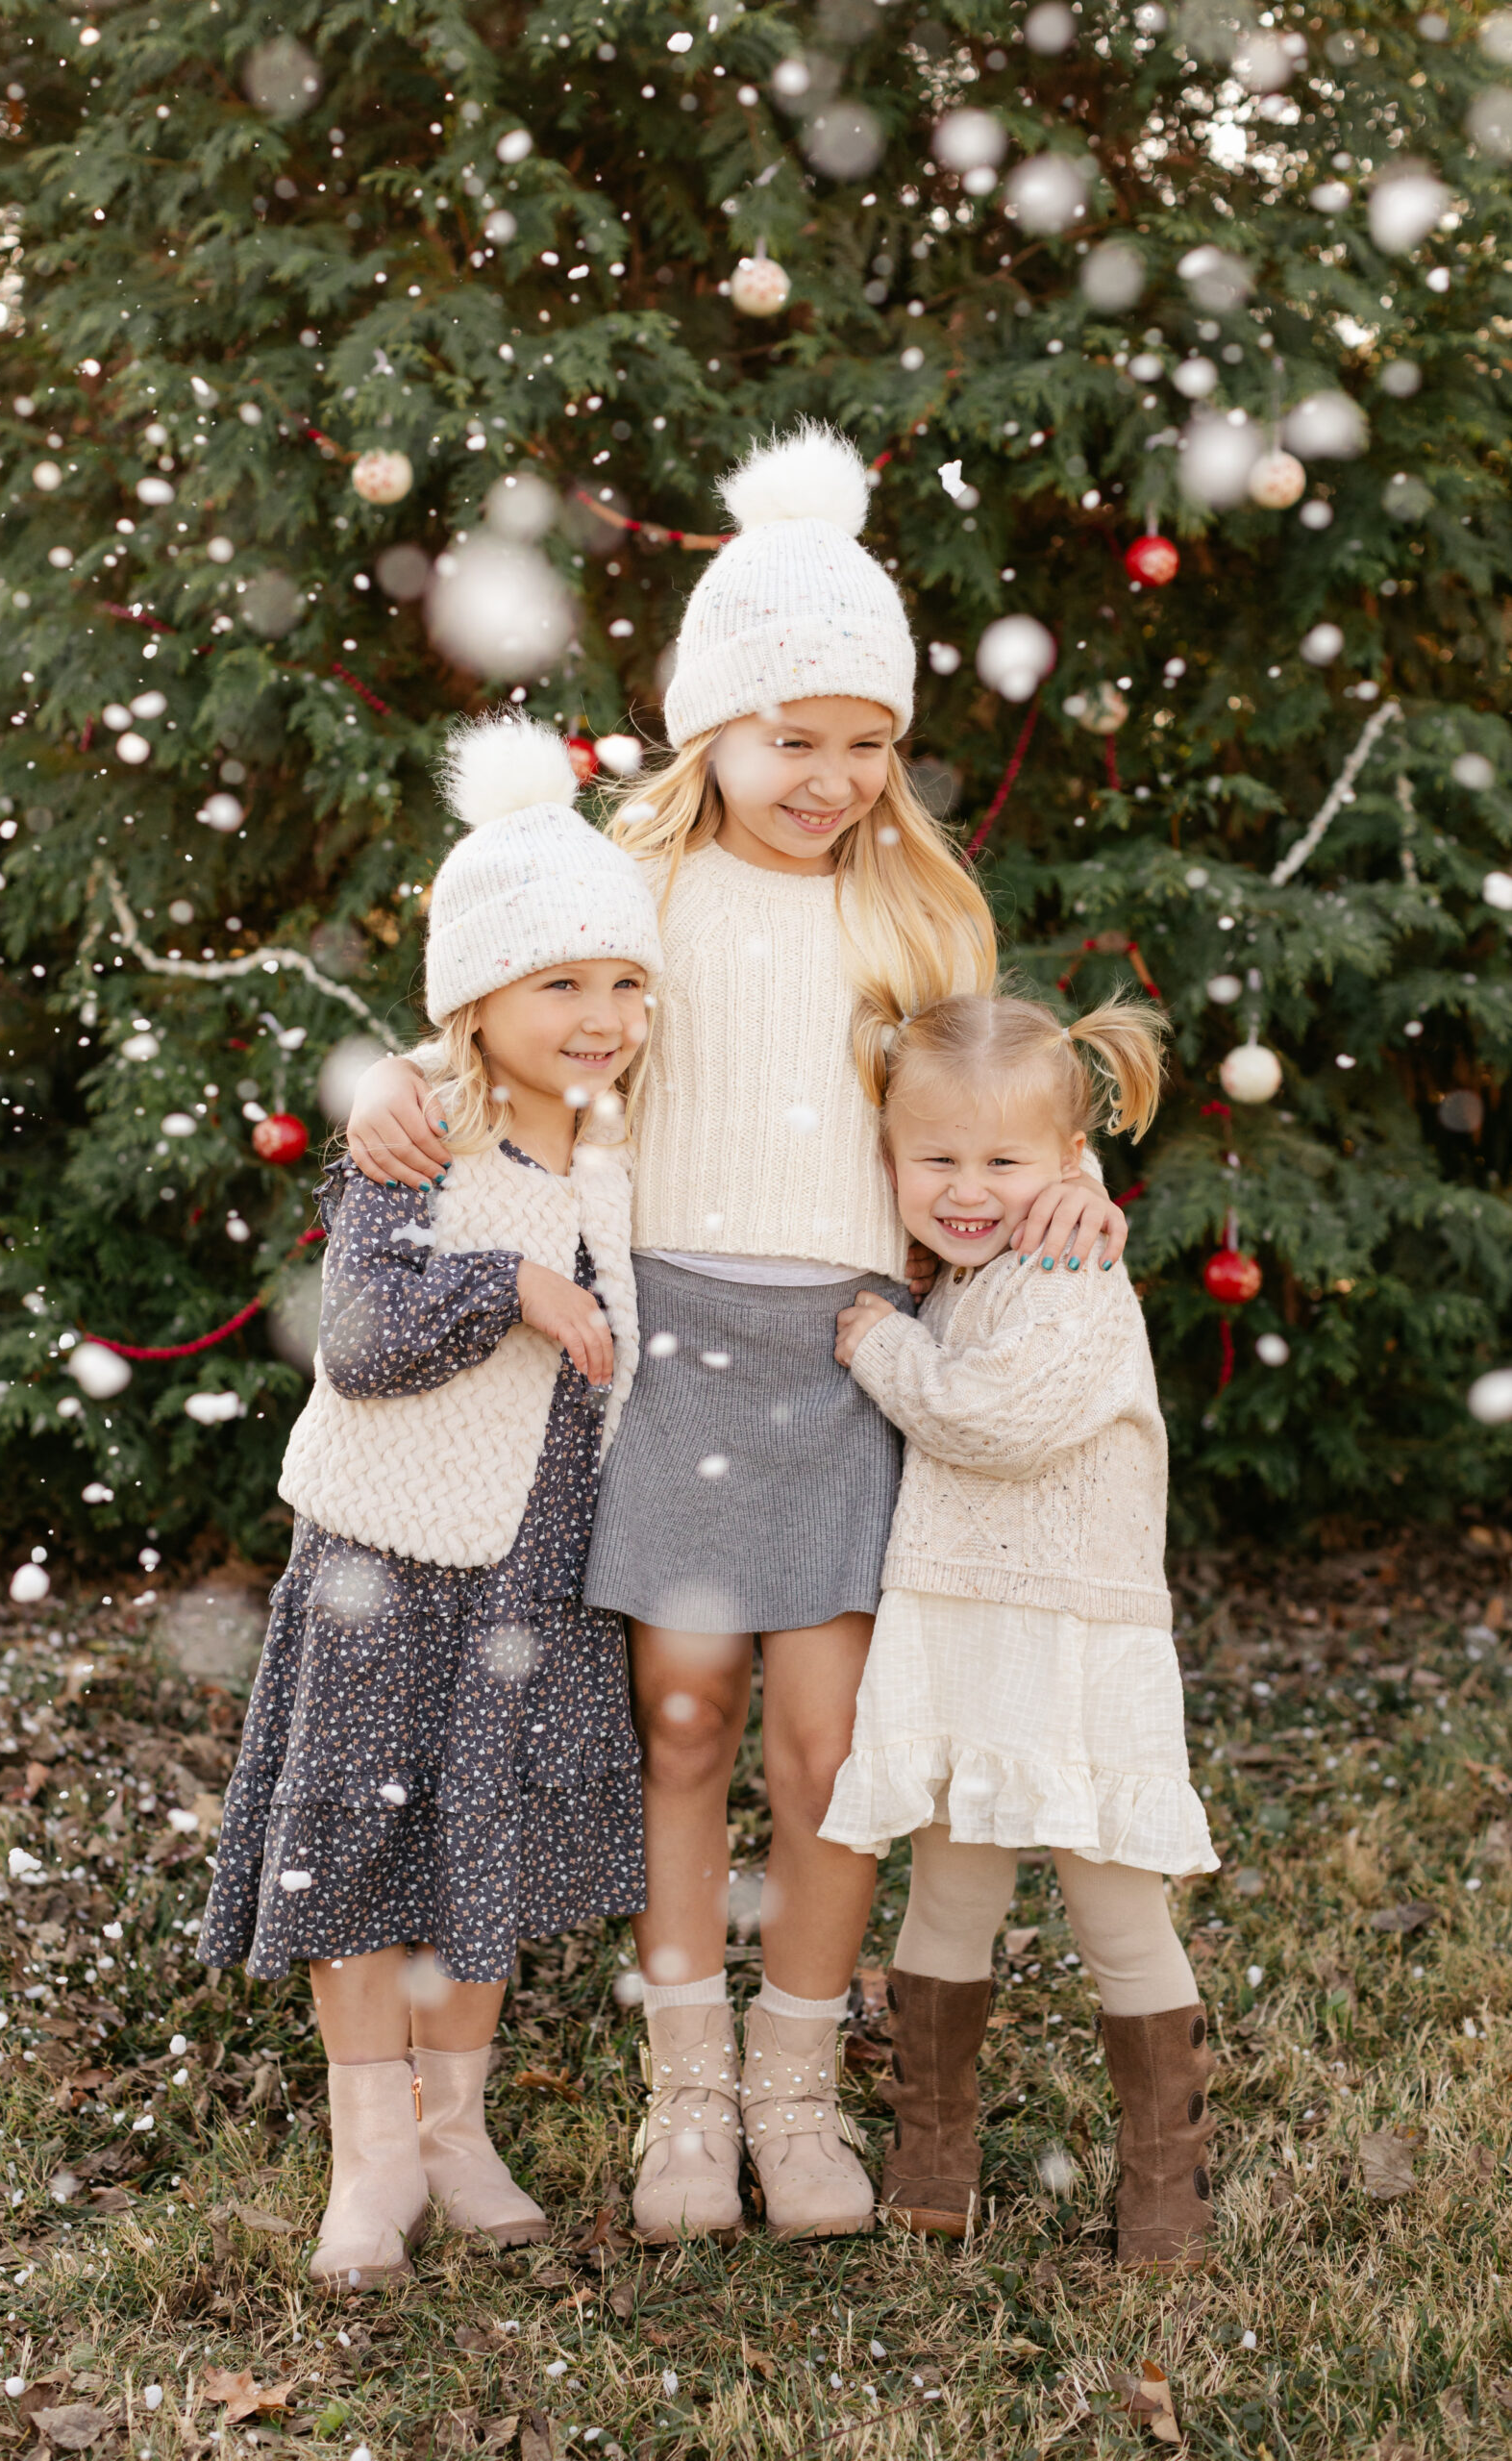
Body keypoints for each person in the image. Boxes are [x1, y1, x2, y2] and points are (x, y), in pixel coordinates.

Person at [343, 421, 1129, 2245]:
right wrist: (407, 1073)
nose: (833, 777)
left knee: (829, 1742)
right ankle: (681, 2094)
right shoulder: (646, 895)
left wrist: (1072, 1185)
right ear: (713, 727)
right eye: (796, 737)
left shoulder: (917, 911)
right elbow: (520, 1018)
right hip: (670, 1349)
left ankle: (796, 2086)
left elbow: (983, 1116)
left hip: (854, 1351)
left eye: (870, 743)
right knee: (683, 1715)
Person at [199, 713, 663, 2287]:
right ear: (476, 998)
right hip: (388, 1558)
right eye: (560, 983)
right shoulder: (421, 1134)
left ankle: (457, 2125)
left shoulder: (623, 1143)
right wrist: (515, 1280)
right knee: (356, 1838)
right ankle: (371, 2148)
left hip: (539, 1565)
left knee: (488, 1839)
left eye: (622, 982)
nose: (600, 1017)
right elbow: (372, 1336)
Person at [821, 989, 1220, 2268]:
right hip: (965, 1628)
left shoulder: (1068, 1277)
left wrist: (879, 1347)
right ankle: (935, 2148)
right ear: (889, 1157)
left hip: (1070, 1636)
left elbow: (987, 1423)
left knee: (1114, 1904)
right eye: (936, 1160)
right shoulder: (975, 1267)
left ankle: (1167, 2181)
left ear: (1065, 1170)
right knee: (949, 1890)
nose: (967, 1188)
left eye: (1004, 1164)